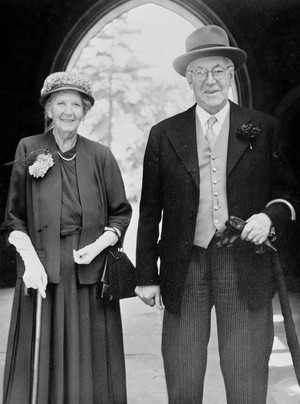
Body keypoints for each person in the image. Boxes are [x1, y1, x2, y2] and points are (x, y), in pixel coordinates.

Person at [135, 25, 298, 403]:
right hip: (184, 263)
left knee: (245, 377)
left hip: (243, 263)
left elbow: (288, 193)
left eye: (219, 71)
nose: (211, 81)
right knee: (183, 375)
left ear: (231, 74)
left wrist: (268, 217)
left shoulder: (262, 128)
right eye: (201, 72)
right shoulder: (164, 133)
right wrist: (146, 275)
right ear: (188, 78)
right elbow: (150, 209)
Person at [1, 71, 132, 404]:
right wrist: (29, 261)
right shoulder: (28, 149)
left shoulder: (101, 155)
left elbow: (121, 213)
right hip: (41, 270)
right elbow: (13, 217)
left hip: (89, 272)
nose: (69, 111)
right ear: (48, 109)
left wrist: (99, 246)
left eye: (77, 104)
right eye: (61, 103)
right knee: (40, 363)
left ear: (86, 111)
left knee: (90, 365)